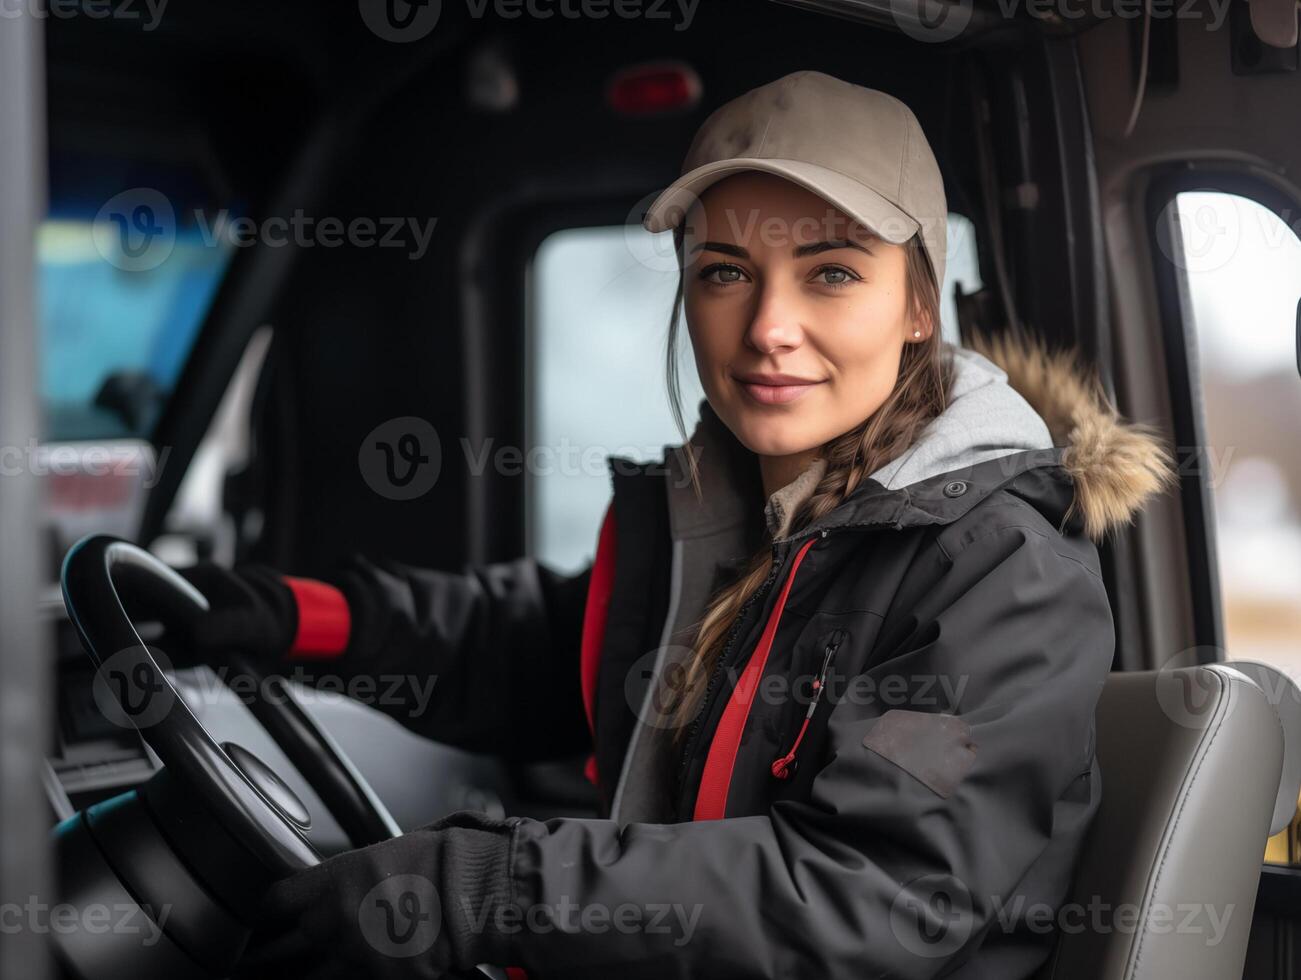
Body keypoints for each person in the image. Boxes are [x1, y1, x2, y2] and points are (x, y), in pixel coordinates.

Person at [179, 70, 1176, 979]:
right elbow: (523, 647)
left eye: (830, 272)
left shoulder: (997, 566)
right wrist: (292, 617)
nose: (767, 326)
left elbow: (867, 891)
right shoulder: (733, 517)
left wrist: (483, 886)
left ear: (916, 304)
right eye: (724, 270)